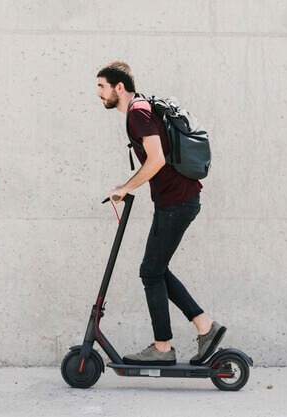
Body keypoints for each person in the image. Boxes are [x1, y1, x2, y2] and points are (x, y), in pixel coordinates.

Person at [96, 61, 226, 366]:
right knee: (157, 269)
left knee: (151, 272)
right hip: (176, 201)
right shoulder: (141, 109)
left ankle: (164, 347)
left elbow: (155, 160)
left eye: (102, 86)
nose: (98, 94)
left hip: (177, 202)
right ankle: (205, 328)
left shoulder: (138, 112)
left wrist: (126, 187)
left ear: (119, 87)